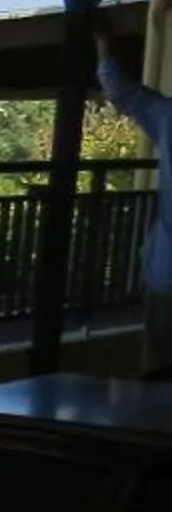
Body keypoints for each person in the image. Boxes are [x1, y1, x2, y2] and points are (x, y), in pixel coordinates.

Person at [99, 34, 172, 372]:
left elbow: (122, 91)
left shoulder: (168, 117)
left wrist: (105, 41)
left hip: (166, 275)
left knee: (158, 377)